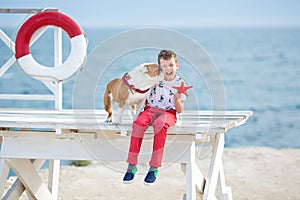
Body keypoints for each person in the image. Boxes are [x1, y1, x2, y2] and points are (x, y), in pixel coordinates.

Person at [123, 49, 189, 186]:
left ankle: (154, 168)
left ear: (177, 65)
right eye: (164, 66)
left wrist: (177, 98)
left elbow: (180, 110)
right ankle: (131, 165)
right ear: (160, 67)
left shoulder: (180, 84)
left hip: (169, 112)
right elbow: (140, 89)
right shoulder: (154, 79)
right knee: (138, 123)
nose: (168, 69)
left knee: (160, 125)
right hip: (150, 109)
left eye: (170, 65)